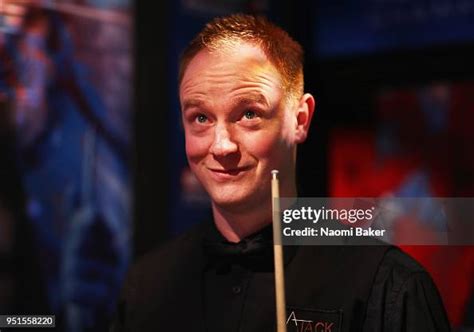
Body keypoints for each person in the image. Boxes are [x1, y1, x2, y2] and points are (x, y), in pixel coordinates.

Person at [111, 14, 450, 331]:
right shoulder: (146, 288)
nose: (222, 146)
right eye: (201, 118)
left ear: (300, 119)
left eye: (248, 114)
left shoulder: (387, 285)